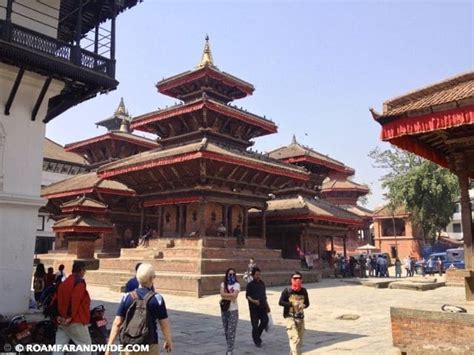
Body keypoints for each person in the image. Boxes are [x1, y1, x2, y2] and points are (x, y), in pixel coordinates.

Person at [106, 263, 172, 355]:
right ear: (151, 278)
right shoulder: (157, 299)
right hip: (149, 344)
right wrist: (168, 340)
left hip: (129, 344)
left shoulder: (127, 297)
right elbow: (164, 324)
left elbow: (117, 323)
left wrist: (109, 347)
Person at [53, 261, 91, 355]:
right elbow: (75, 301)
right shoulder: (79, 283)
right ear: (81, 270)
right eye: (84, 270)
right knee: (85, 347)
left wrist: (57, 316)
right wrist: (69, 316)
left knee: (59, 348)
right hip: (75, 320)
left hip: (62, 321)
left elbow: (55, 300)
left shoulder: (64, 282)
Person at [279, 271, 310, 355]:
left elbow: (307, 303)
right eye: (295, 278)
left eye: (299, 278)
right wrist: (292, 304)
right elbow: (281, 302)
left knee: (299, 341)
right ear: (291, 280)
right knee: (295, 339)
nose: (297, 280)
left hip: (300, 317)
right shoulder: (287, 291)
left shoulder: (303, 291)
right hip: (290, 316)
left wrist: (303, 305)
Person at [246, 267, 269, 348]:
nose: (258, 276)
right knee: (255, 325)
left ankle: (256, 335)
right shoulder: (250, 285)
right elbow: (248, 296)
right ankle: (257, 341)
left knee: (265, 321)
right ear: (253, 275)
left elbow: (264, 296)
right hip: (254, 309)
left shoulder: (262, 283)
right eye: (257, 275)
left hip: (262, 307)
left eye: (259, 274)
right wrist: (254, 301)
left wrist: (267, 306)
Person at [220, 268, 240, 355]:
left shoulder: (237, 285)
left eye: (233, 274)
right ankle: (229, 346)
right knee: (226, 330)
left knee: (231, 330)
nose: (231, 276)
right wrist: (230, 296)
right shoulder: (223, 284)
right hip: (224, 310)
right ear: (227, 275)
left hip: (233, 310)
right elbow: (221, 294)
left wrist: (225, 296)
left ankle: (230, 350)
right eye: (229, 274)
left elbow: (235, 296)